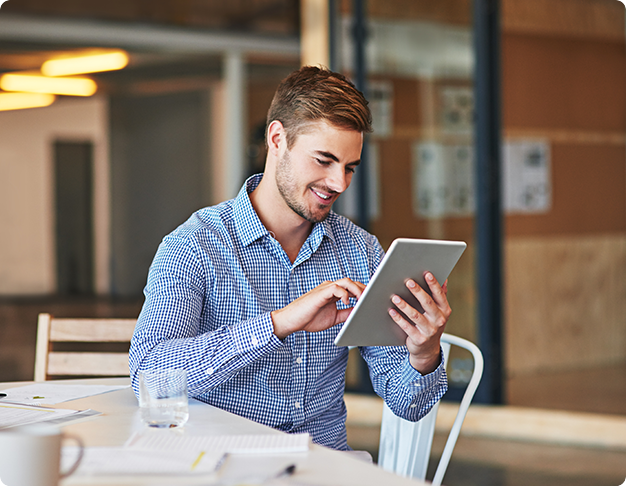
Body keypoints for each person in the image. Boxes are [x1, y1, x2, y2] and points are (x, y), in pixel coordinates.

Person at [129, 66, 450, 451]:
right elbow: (150, 374)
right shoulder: (196, 246)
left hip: (324, 467)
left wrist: (424, 354)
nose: (339, 184)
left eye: (349, 167)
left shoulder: (360, 251)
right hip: (226, 466)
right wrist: (278, 324)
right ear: (277, 138)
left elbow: (407, 403)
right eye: (323, 160)